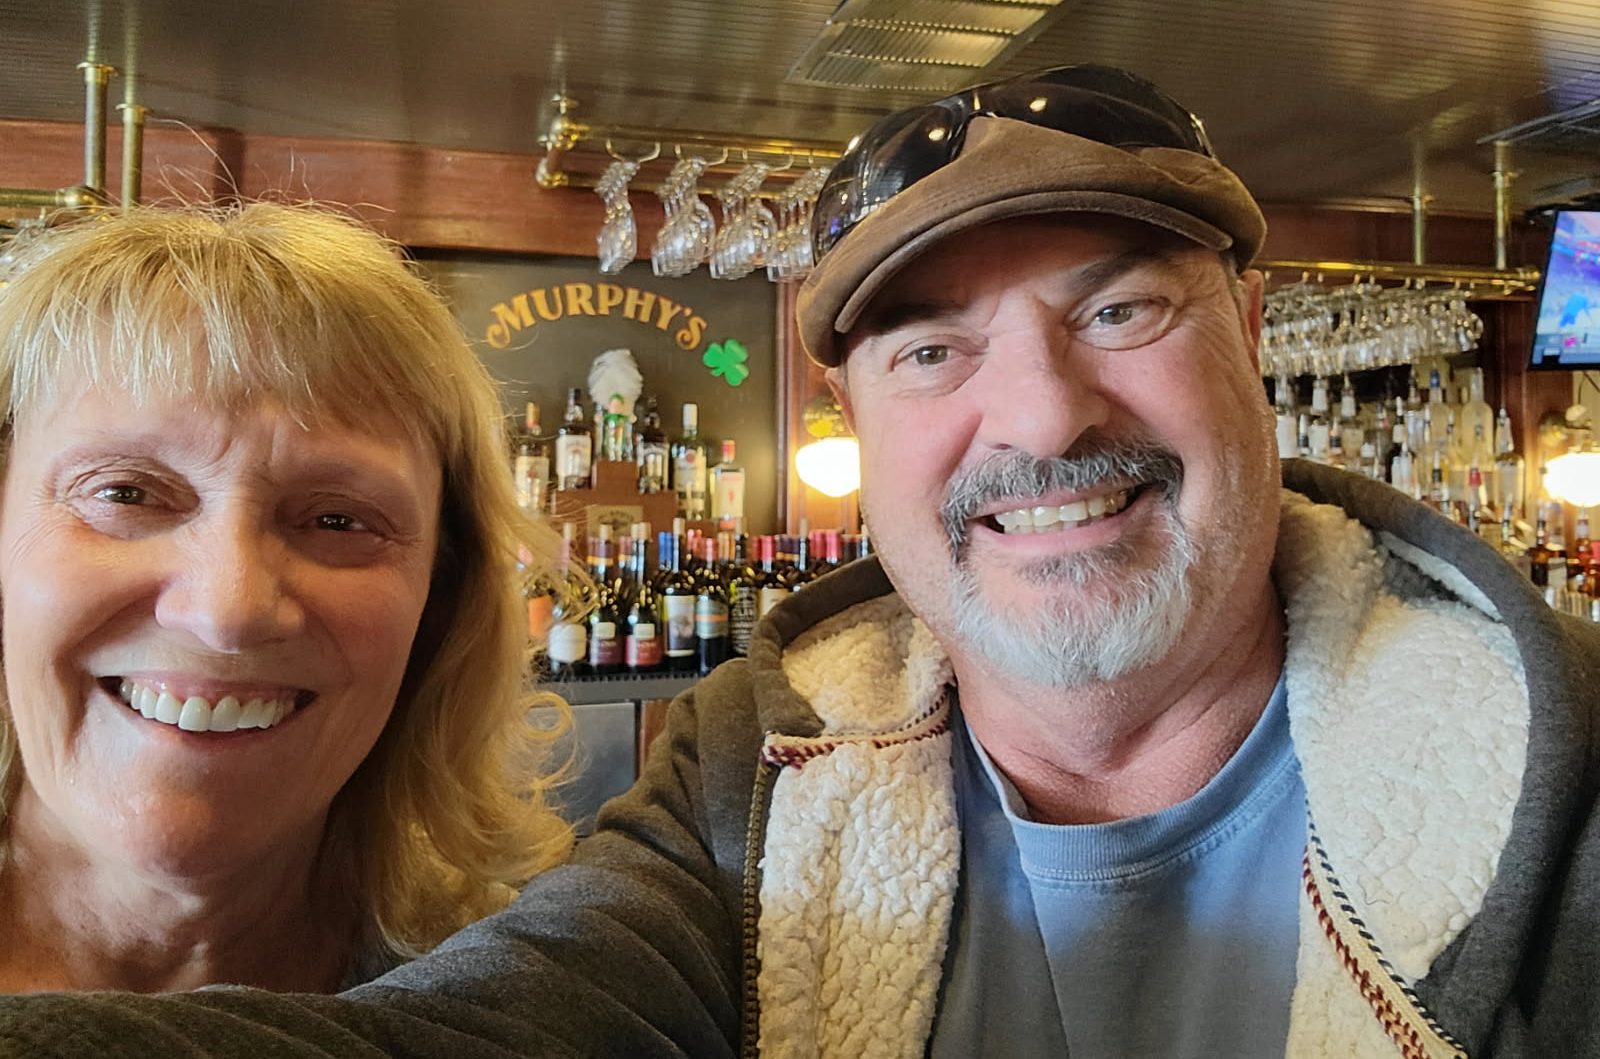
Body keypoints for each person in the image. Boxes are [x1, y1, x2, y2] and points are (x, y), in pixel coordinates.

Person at [2, 69, 1598, 1057]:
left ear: (1247, 331)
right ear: (852, 418)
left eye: (1121, 310)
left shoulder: (1560, 772)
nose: (1042, 412)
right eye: (931, 350)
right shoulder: (744, 792)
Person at [0, 203, 572, 994]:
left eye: (338, 520)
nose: (227, 611)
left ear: (439, 602)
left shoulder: (515, 1004)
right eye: (126, 492)